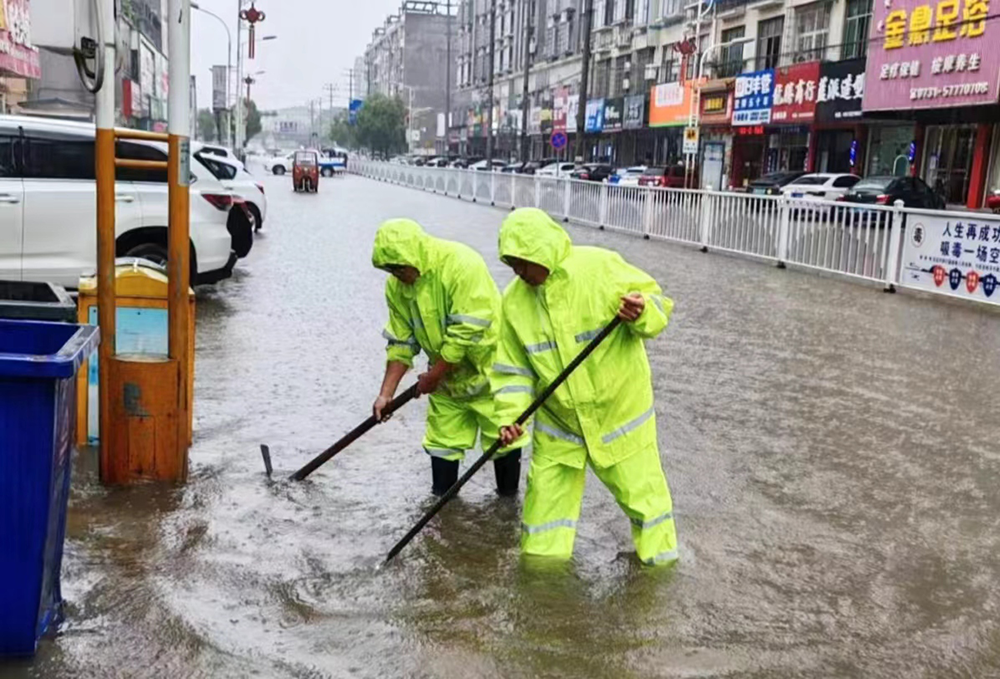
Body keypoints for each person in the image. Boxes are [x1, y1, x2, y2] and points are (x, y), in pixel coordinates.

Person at [492, 208, 678, 565]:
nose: (518, 272)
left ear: (539, 252)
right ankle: (543, 593)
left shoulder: (601, 268)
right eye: (511, 264)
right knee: (543, 525)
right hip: (559, 425)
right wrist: (510, 419)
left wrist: (641, 312)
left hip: (619, 417)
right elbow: (512, 370)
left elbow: (658, 305)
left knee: (647, 506)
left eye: (521, 263)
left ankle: (662, 576)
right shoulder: (514, 302)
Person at [371, 218, 524, 496]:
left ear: (415, 255)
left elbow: (465, 332)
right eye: (389, 269)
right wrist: (386, 395)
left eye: (400, 267)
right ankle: (443, 517)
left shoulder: (461, 264)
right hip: (447, 386)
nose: (396, 275)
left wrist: (433, 376)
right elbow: (400, 343)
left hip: (491, 377)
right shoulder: (397, 287)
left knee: (504, 443)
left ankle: (506, 508)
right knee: (442, 447)